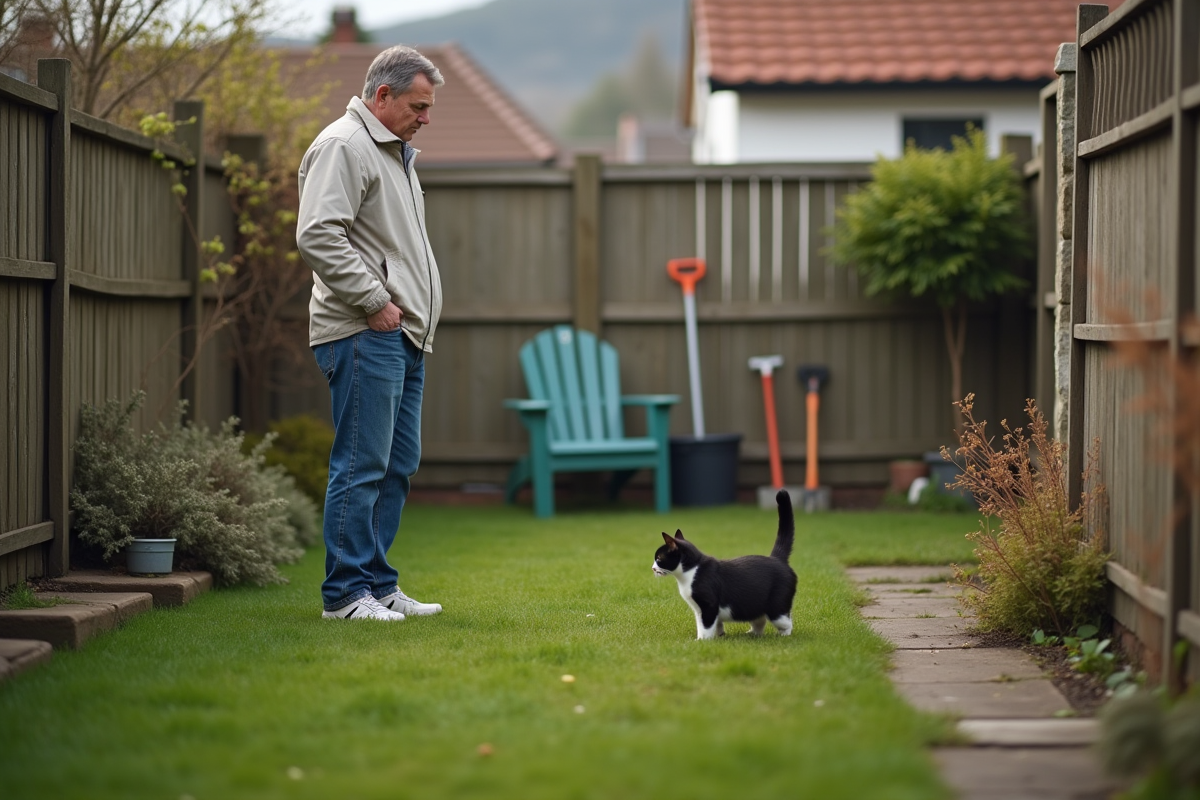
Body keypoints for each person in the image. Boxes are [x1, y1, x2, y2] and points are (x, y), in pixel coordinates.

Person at [296, 45, 445, 621]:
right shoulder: (344, 145)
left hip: (402, 337)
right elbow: (317, 235)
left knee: (396, 465)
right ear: (382, 96)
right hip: (363, 330)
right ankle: (345, 596)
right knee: (360, 466)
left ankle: (378, 585)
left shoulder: (395, 152)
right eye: (419, 105)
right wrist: (377, 300)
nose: (426, 117)